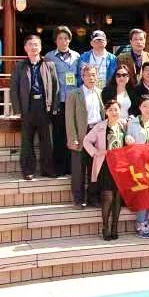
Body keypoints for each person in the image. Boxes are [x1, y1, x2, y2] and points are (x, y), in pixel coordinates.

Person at [10, 34, 59, 180]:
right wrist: (17, 110)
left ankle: (47, 169)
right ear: (25, 48)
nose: (33, 47)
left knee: (47, 141)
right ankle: (28, 170)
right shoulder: (19, 66)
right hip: (28, 107)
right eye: (30, 44)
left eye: (36, 44)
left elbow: (55, 86)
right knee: (27, 141)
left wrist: (54, 106)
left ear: (40, 47)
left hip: (44, 106)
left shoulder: (49, 64)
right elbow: (14, 89)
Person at [83, 100, 127, 240]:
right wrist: (96, 152)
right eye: (111, 110)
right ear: (106, 112)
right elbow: (86, 141)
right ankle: (105, 226)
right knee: (108, 196)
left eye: (116, 110)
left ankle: (115, 226)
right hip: (105, 165)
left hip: (120, 165)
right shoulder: (100, 126)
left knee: (118, 197)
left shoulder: (124, 125)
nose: (114, 112)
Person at [66, 65, 104, 208]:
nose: (91, 78)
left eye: (94, 75)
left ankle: (93, 198)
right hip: (82, 133)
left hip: (97, 134)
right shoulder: (74, 94)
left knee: (94, 168)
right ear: (82, 77)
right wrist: (73, 138)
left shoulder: (100, 92)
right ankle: (78, 198)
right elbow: (69, 119)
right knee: (79, 169)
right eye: (88, 75)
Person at [45, 26, 80, 176]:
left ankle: (71, 167)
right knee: (58, 134)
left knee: (71, 133)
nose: (63, 41)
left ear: (69, 40)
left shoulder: (77, 56)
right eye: (60, 38)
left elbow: (80, 77)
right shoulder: (49, 57)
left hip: (73, 100)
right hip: (58, 100)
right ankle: (59, 168)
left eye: (66, 38)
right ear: (55, 40)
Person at [124, 94, 149, 238]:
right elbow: (126, 138)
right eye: (144, 106)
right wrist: (128, 139)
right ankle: (140, 224)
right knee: (142, 194)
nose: (147, 109)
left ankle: (144, 223)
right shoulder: (132, 123)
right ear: (139, 107)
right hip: (136, 164)